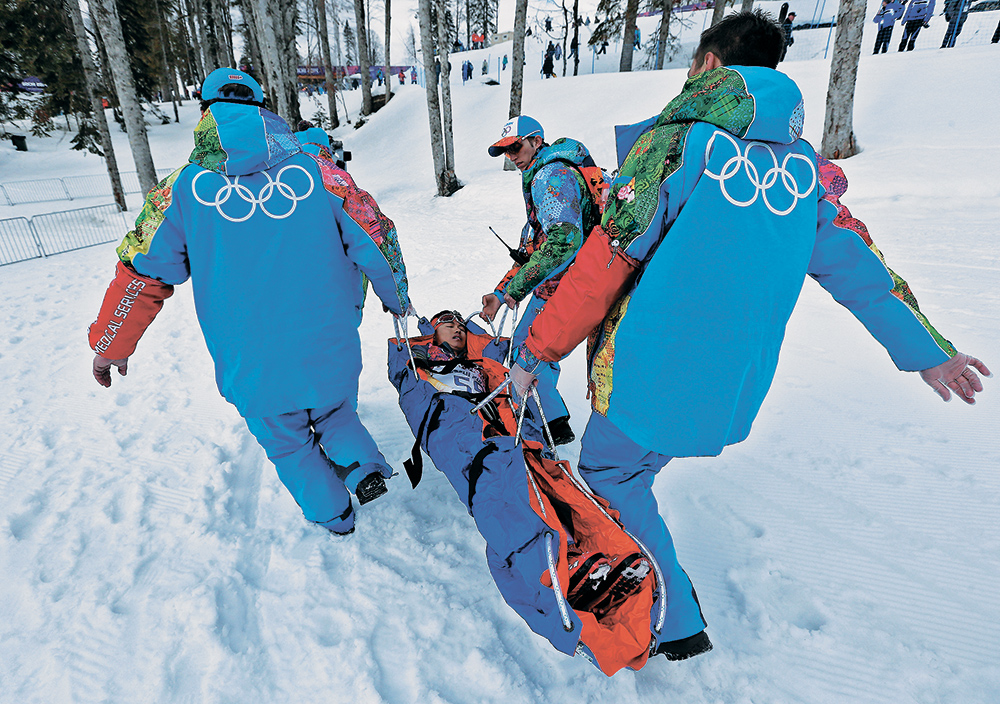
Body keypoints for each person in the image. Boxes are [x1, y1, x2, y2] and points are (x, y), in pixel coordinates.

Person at [508, 11, 990, 661]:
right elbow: (859, 266)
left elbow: (605, 260)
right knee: (634, 472)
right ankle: (667, 609)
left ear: (709, 65)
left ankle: (671, 621)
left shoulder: (678, 144)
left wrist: (537, 351)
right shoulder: (803, 169)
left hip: (646, 370)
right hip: (731, 381)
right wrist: (929, 353)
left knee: (610, 475)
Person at [88, 68, 412, 537]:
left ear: (204, 111)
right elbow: (377, 233)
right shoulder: (320, 171)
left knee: (288, 444)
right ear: (264, 108)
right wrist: (396, 297)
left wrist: (111, 344)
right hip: (328, 343)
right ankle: (364, 471)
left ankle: (334, 517)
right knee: (335, 411)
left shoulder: (179, 190)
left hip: (250, 361)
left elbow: (141, 274)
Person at [480, 115, 610, 447]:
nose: (512, 156)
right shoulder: (552, 171)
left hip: (568, 287)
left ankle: (538, 435)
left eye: (516, 147)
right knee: (533, 351)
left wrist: (516, 289)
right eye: (506, 151)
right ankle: (553, 422)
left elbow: (563, 241)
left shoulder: (549, 175)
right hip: (568, 282)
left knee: (528, 352)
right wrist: (501, 292)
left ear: (537, 141)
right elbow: (534, 246)